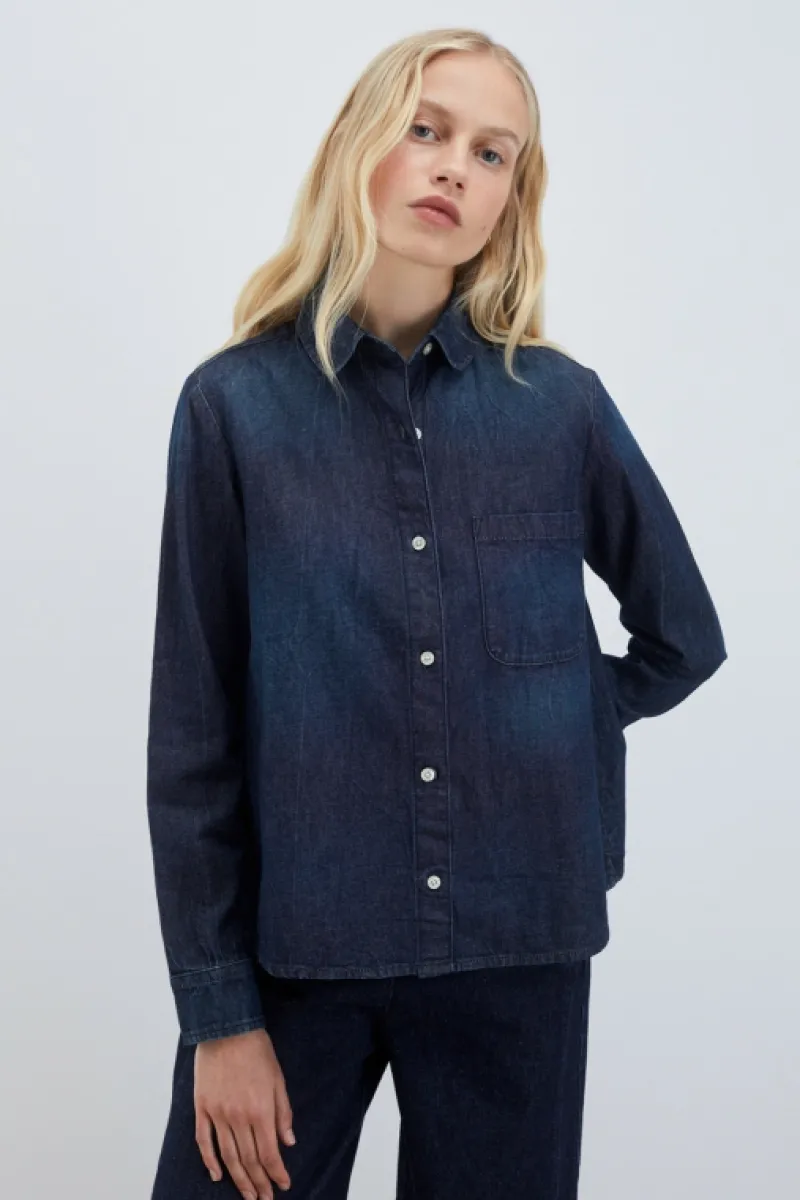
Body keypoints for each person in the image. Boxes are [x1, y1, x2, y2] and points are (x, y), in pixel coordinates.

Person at [145, 26, 727, 1200]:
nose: (455, 166)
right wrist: (218, 1017)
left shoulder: (557, 408)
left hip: (519, 949)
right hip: (300, 951)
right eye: (426, 129)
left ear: (512, 197)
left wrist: (550, 711)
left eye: (491, 152)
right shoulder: (232, 410)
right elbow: (194, 738)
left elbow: (682, 638)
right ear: (358, 145)